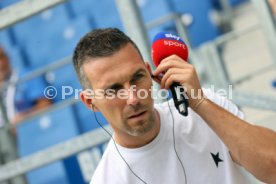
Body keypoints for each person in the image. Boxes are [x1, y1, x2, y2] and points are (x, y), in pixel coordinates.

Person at [72, 28, 276, 184]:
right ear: (91, 102)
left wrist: (200, 103)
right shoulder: (107, 179)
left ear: (150, 72)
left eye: (137, 78)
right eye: (114, 89)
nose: (133, 98)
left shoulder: (205, 109)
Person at [0, 46, 52, 129]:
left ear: (7, 57)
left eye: (1, 57)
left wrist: (24, 118)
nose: (1, 64)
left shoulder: (25, 75)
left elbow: (45, 104)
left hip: (28, 131)